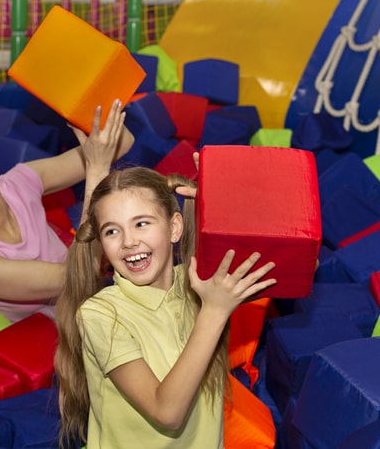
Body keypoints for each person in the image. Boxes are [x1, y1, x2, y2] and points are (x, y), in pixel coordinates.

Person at [54, 166, 276, 448]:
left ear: (174, 227)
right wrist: (215, 311)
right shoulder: (101, 314)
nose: (129, 241)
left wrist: (224, 207)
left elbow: (299, 266)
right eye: (112, 231)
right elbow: (166, 412)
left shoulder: (200, 283)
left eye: (142, 223)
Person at [0, 99, 133, 323]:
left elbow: (122, 141)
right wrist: (97, 169)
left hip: (97, 308)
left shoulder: (20, 182)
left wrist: (93, 105)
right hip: (60, 348)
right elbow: (77, 277)